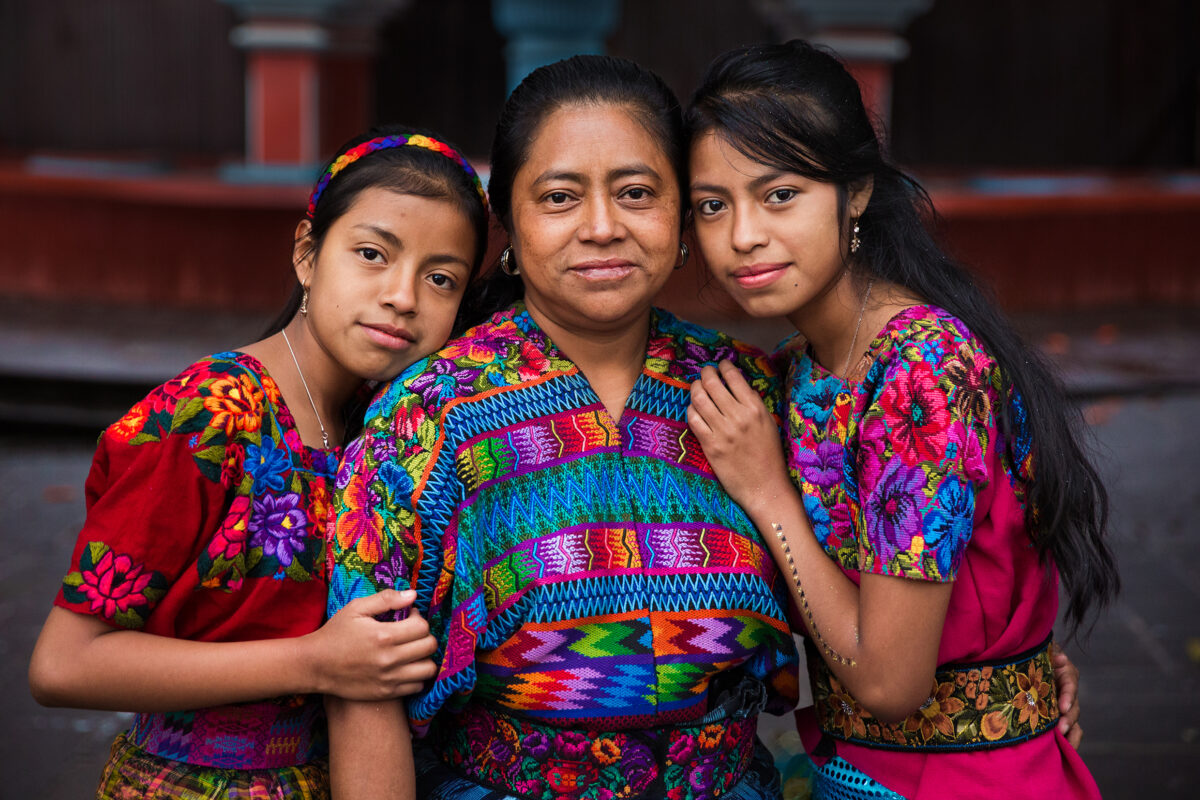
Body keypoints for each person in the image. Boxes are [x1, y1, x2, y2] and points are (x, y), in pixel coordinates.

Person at [325, 55, 802, 800]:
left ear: (681, 214)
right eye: (559, 196)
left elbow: (875, 599)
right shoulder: (432, 418)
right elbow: (366, 692)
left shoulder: (750, 394)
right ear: (508, 226)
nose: (603, 227)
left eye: (637, 193)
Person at [684, 40, 1119, 799]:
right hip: (865, 772)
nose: (741, 236)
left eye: (779, 194)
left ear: (854, 192)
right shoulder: (799, 365)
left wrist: (767, 490)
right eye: (713, 206)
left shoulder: (921, 372)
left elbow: (888, 682)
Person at [28, 125, 490, 799]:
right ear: (307, 252)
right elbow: (65, 665)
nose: (402, 296)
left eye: (440, 277)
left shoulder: (393, 429)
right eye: (371, 253)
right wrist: (315, 661)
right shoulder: (210, 416)